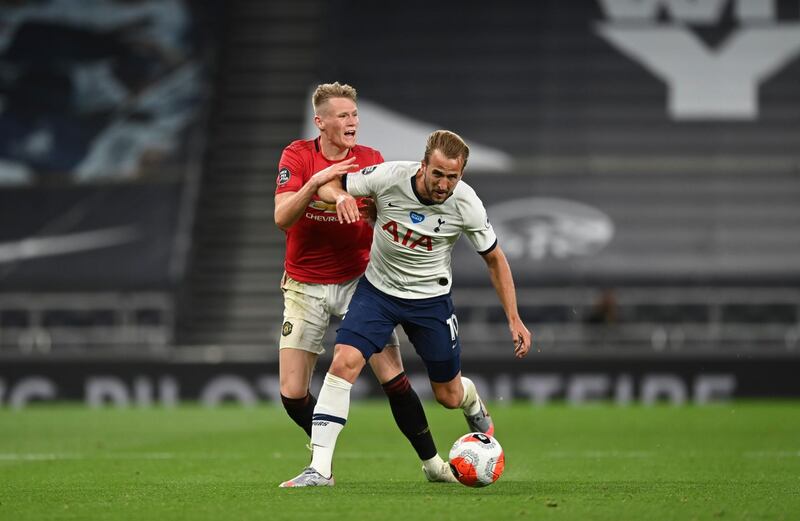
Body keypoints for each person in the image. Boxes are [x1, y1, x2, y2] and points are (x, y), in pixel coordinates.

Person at [279, 129, 532, 487]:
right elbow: (327, 184)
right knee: (344, 361)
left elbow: (495, 259)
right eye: (438, 174)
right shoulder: (389, 176)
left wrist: (514, 318)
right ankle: (320, 469)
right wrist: (339, 197)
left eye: (453, 177)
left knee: (448, 395)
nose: (444, 184)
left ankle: (471, 400)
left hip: (431, 303)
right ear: (423, 165)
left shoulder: (467, 203)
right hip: (378, 293)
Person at [273, 82, 455, 485]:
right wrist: (318, 184)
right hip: (305, 284)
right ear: (320, 122)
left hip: (361, 281)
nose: (351, 121)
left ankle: (433, 465)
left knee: (392, 376)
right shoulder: (297, 155)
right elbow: (283, 217)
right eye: (342, 115)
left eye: (354, 115)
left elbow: (384, 208)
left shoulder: (370, 160)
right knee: (291, 393)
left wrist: (369, 209)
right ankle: (324, 452)